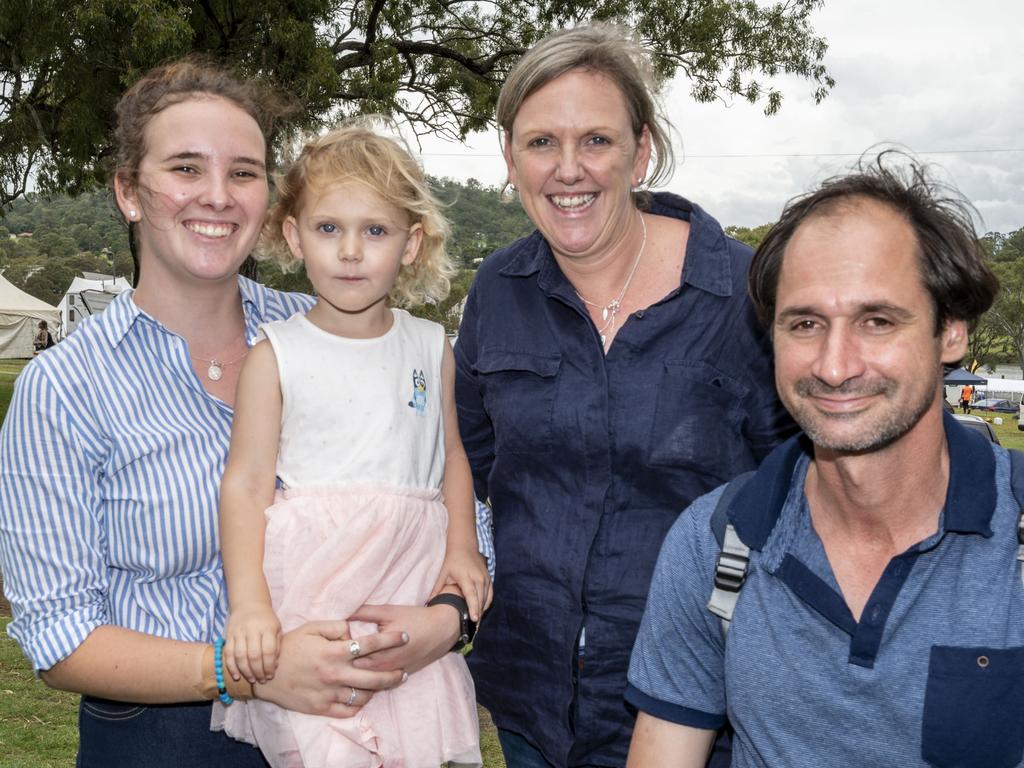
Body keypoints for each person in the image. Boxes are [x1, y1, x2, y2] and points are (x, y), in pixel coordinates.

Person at [0, 59, 470, 767]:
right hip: (166, 734)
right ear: (129, 192)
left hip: (364, 700)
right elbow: (60, 638)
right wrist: (238, 669)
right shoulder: (66, 386)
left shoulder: (338, 326)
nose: (217, 196)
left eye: (244, 172)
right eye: (186, 169)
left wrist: (448, 617)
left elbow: (435, 484)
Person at [454, 23, 794, 768]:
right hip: (532, 697)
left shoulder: (744, 293)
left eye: (596, 141)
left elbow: (798, 491)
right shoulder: (497, 291)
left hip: (700, 703)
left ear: (641, 151)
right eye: (540, 142)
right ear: (510, 158)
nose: (567, 169)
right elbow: (476, 462)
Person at [626, 154, 1013, 767]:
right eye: (805, 323)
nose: (835, 366)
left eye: (877, 321)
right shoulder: (715, 543)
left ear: (952, 332)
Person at [213, 122, 488, 767]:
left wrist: (463, 549)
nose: (351, 252)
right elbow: (246, 484)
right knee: (329, 740)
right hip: (316, 585)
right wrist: (249, 604)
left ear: (412, 242)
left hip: (408, 582)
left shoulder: (429, 346)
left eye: (376, 230)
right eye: (329, 228)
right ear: (294, 235)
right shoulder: (275, 353)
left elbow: (450, 457)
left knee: (407, 732)